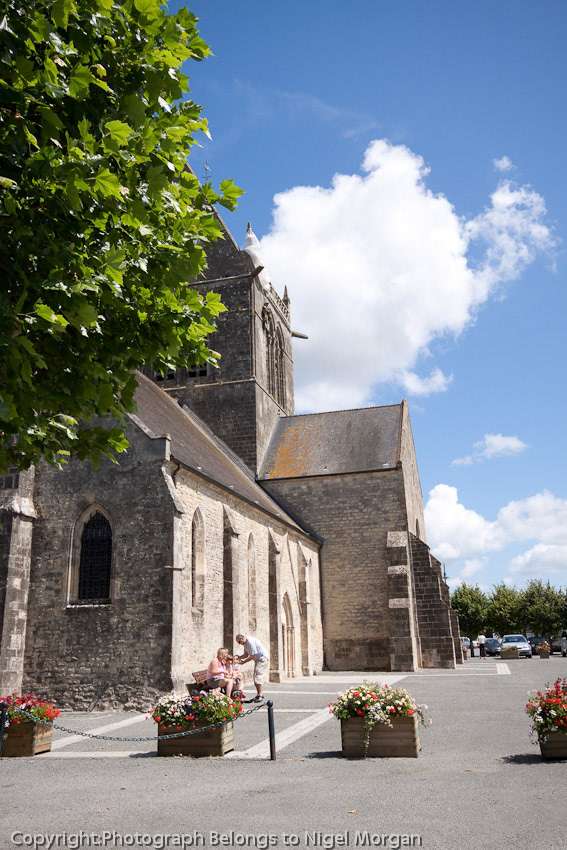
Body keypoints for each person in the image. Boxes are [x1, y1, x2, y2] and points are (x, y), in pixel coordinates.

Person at [235, 634, 269, 702]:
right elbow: (246, 654)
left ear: (242, 639)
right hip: (258, 660)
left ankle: (260, 695)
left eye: (239, 642)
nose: (240, 644)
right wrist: (239, 657)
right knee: (256, 676)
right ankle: (259, 694)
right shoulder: (245, 644)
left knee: (258, 676)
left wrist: (244, 662)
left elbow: (253, 655)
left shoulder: (250, 641)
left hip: (262, 659)